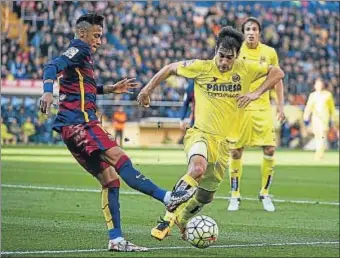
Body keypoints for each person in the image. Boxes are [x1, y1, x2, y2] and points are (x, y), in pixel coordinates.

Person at [39, 13, 190, 252]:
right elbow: (51, 66)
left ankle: (116, 239)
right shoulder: (79, 49)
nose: (99, 41)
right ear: (82, 33)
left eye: (100, 36)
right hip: (81, 123)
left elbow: (81, 88)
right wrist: (47, 91)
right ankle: (168, 199)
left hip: (71, 128)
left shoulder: (82, 57)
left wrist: (110, 88)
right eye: (96, 36)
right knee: (121, 159)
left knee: (110, 181)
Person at [137, 26, 284, 241]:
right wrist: (147, 90)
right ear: (215, 51)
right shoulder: (201, 67)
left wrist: (255, 93)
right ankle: (168, 217)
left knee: (206, 196)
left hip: (225, 142)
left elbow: (278, 72)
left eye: (229, 58)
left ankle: (183, 218)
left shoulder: (246, 68)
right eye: (221, 56)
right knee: (197, 167)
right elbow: (169, 68)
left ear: (237, 56)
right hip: (200, 134)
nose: (224, 62)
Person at [227, 17, 286, 212]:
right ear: (243, 33)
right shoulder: (236, 52)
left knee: (269, 149)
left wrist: (280, 105)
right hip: (240, 107)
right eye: (247, 29)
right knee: (236, 151)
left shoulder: (269, 52)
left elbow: (277, 79)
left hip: (262, 107)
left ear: (259, 32)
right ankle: (234, 195)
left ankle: (265, 193)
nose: (251, 32)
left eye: (254, 29)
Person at [303, 78, 336, 160]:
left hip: (324, 119)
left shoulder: (328, 95)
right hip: (315, 119)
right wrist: (306, 115)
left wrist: (334, 118)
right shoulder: (312, 95)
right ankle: (319, 152)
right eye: (317, 84)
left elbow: (332, 108)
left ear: (323, 85)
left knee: (322, 135)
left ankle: (319, 153)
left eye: (320, 84)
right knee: (317, 136)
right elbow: (308, 107)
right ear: (315, 86)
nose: (319, 86)